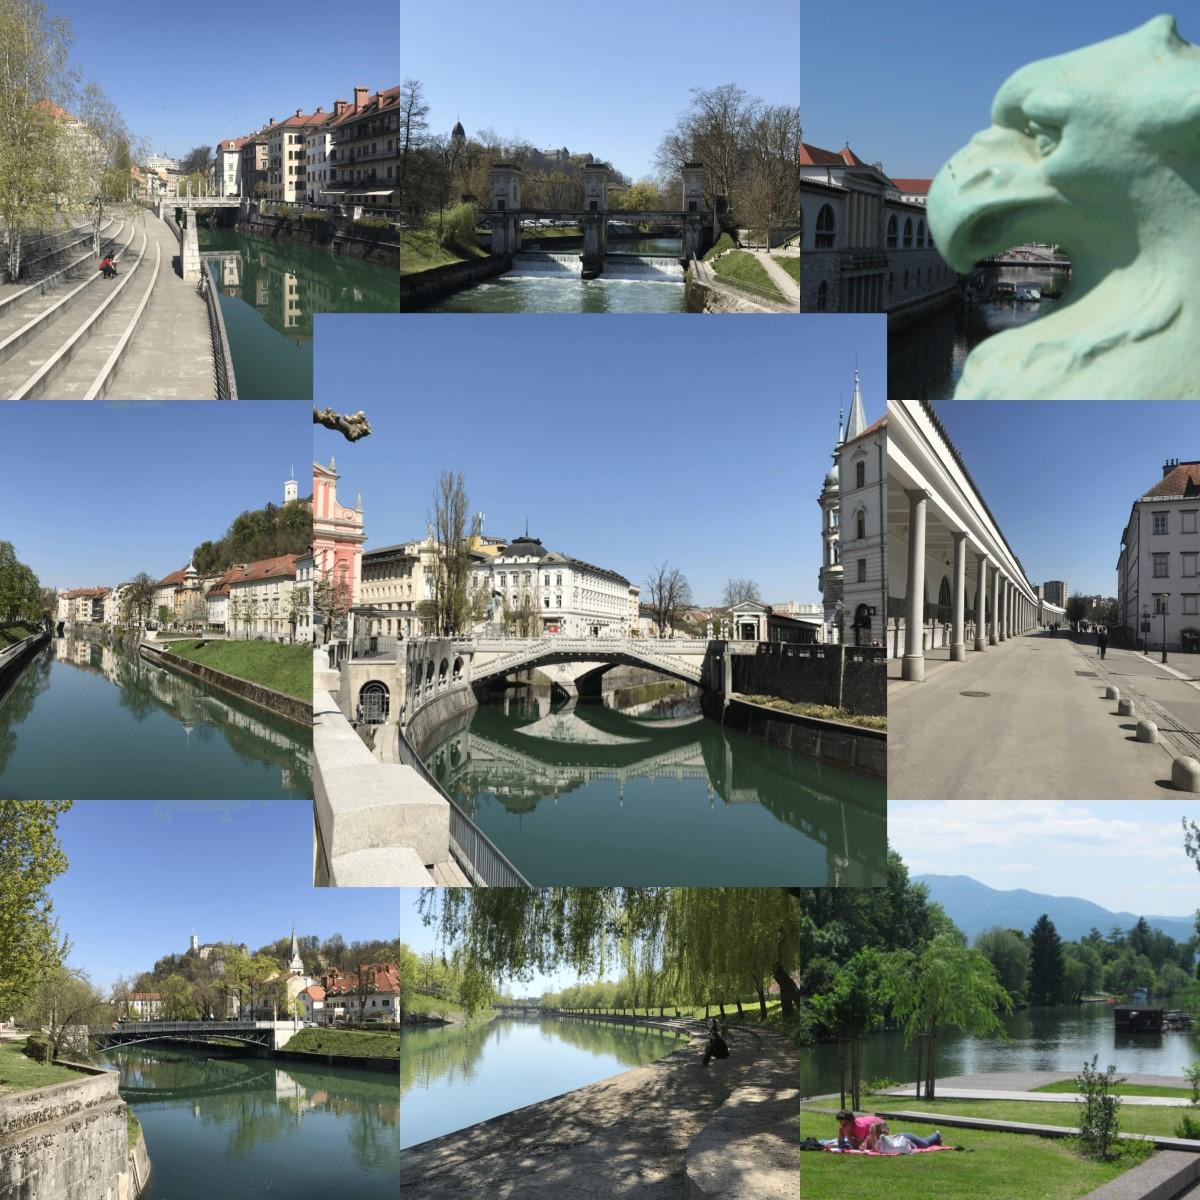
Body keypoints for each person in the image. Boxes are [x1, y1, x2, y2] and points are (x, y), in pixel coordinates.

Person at [862, 1121, 942, 1153]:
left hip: (905, 1137)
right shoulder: (873, 1138)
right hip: (901, 1138)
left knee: (925, 1144)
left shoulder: (882, 1139)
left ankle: (936, 1135)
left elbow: (874, 1150)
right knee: (924, 1143)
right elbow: (866, 1145)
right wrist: (864, 1144)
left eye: (871, 1131)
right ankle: (937, 1140)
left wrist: (872, 1137)